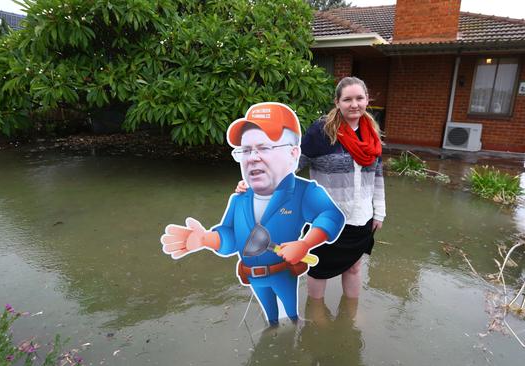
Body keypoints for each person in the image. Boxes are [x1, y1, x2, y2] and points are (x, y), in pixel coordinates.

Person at [161, 102, 345, 325]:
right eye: (246, 150)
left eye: (264, 147)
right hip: (253, 276)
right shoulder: (240, 198)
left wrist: (305, 244)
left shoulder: (302, 192)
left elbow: (331, 215)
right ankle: (275, 333)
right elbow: (231, 237)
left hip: (282, 273)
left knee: (289, 318)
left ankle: (290, 344)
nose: (252, 157)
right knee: (272, 318)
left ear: (293, 153)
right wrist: (206, 239)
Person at [236, 77, 384, 300]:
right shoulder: (322, 131)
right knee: (318, 272)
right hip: (328, 218)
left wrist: (379, 212)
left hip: (361, 219)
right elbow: (292, 165)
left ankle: (351, 317)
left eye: (359, 98)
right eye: (347, 99)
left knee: (354, 268)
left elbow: (378, 176)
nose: (354, 104)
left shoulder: (371, 134)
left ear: (367, 100)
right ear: (337, 102)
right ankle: (316, 318)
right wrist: (256, 184)